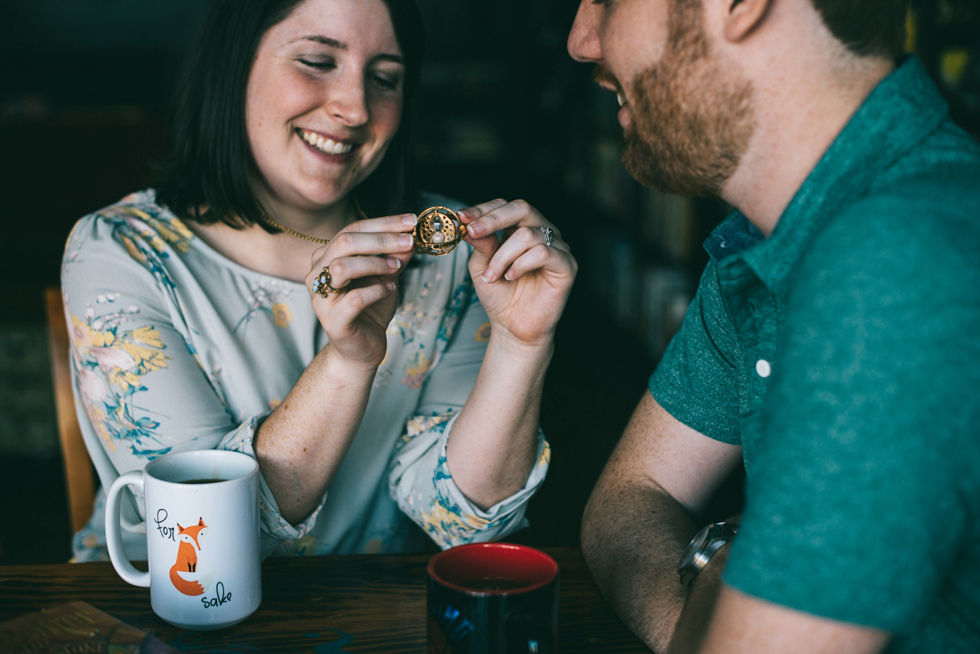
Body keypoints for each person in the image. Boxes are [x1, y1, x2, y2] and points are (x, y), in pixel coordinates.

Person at [62, 0, 576, 562]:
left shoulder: (458, 258)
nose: (355, 108)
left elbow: (460, 524)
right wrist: (348, 362)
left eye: (384, 78)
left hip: (375, 624)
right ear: (232, 64)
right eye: (315, 60)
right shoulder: (120, 254)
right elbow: (205, 538)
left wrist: (521, 344)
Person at [568, 0, 980, 652]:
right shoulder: (766, 245)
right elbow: (628, 498)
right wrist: (706, 622)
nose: (581, 41)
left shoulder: (899, 260)